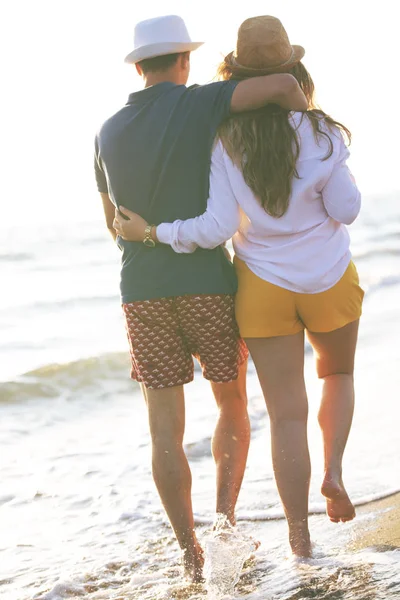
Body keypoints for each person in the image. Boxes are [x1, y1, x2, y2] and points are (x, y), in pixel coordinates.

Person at [113, 15, 364, 559]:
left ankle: (247, 543)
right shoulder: (287, 123)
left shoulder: (182, 135)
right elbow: (344, 205)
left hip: (204, 288)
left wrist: (149, 235)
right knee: (293, 386)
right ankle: (289, 494)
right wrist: (316, 144)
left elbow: (181, 223)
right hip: (270, 280)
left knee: (249, 418)